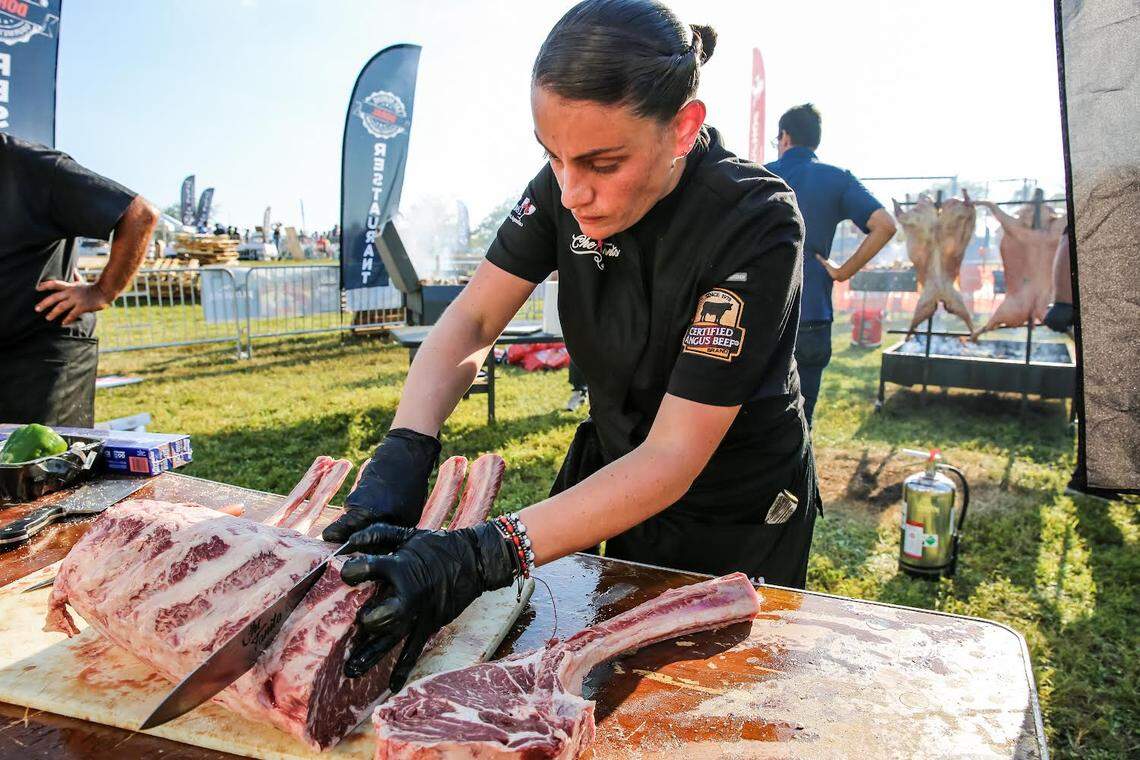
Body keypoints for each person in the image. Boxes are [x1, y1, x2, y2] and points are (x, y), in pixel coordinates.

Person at [322, 0, 820, 692]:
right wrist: (405, 449)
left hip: (734, 509)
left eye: (602, 162)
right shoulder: (562, 188)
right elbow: (469, 323)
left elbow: (676, 453)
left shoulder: (755, 220)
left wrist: (483, 553)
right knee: (603, 676)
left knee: (706, 704)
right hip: (618, 477)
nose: (572, 189)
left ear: (683, 126)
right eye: (550, 155)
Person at [0, 134, 158, 426]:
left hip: (42, 351)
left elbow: (139, 215)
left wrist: (101, 291)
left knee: (43, 465)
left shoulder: (33, 166)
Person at [765, 104, 896, 426]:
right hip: (812, 314)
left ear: (784, 137)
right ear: (815, 141)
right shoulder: (837, 178)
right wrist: (843, 272)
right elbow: (886, 224)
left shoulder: (758, 175)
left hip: (759, 315)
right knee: (799, 421)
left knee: (747, 423)